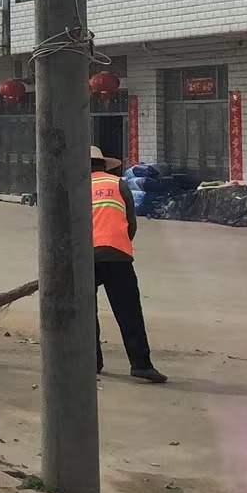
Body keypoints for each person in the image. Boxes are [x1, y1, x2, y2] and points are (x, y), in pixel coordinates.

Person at [92, 146, 166, 383]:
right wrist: (119, 245)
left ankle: (92, 362)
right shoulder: (118, 184)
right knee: (129, 313)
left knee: (85, 313)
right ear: (104, 166)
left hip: (86, 257)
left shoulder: (76, 186)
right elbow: (130, 223)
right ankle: (141, 364)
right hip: (118, 255)